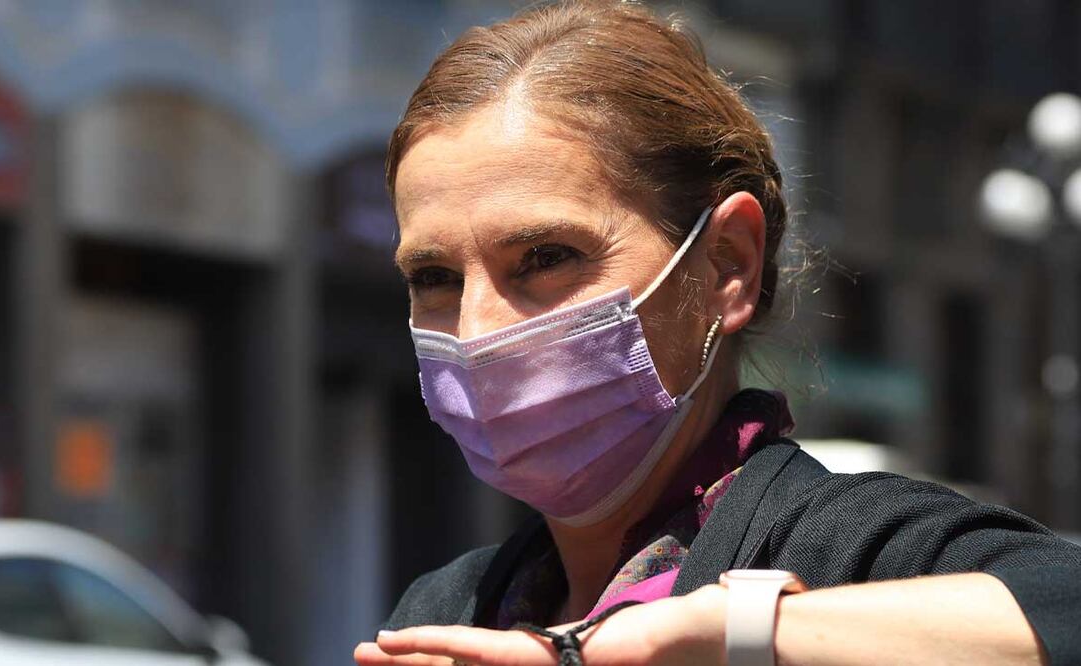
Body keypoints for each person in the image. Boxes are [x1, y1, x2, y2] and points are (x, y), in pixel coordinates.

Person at [354, 1, 1081, 664]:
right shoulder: (449, 609)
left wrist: (728, 633)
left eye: (546, 258)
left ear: (726, 266)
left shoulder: (850, 552)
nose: (478, 330)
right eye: (435, 277)